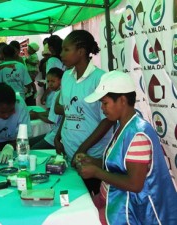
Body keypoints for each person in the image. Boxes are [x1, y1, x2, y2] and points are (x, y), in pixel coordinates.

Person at [76, 70, 177, 225]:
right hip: (114, 199)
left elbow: (134, 184)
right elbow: (118, 166)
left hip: (136, 212)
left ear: (122, 100)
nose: (102, 109)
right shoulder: (123, 126)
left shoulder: (138, 134)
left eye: (105, 103)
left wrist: (96, 172)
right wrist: (93, 161)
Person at [56, 30, 114, 195]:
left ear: (81, 52)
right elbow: (68, 110)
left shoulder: (100, 78)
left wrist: (82, 149)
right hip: (69, 152)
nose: (61, 54)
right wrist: (58, 136)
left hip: (90, 156)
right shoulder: (66, 76)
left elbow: (107, 120)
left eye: (66, 49)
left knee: (90, 201)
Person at [30, 68, 63, 149]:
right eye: (48, 81)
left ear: (61, 80)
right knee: (29, 143)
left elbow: (51, 120)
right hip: (53, 132)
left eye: (53, 81)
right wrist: (36, 114)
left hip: (57, 134)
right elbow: (51, 113)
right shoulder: (57, 93)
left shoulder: (59, 94)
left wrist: (37, 116)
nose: (50, 84)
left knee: (33, 149)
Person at [41, 35, 65, 109]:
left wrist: (44, 96)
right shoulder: (64, 60)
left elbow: (52, 81)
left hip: (53, 96)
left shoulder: (52, 61)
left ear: (50, 48)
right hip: (62, 95)